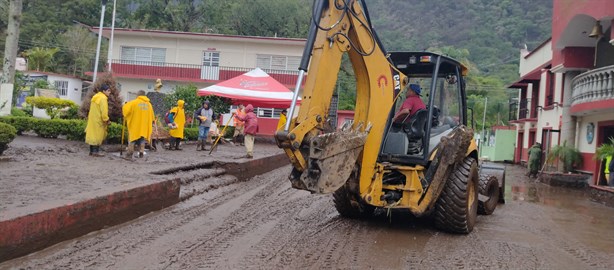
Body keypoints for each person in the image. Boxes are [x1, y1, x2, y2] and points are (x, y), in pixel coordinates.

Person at [122, 90, 155, 160]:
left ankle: (129, 155)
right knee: (142, 139)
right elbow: (152, 116)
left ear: (138, 95)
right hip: (144, 126)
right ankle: (141, 152)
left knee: (132, 139)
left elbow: (125, 110)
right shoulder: (149, 104)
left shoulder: (133, 103)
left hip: (135, 125)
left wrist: (125, 105)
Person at [85, 84, 111, 157]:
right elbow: (104, 111)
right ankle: (95, 152)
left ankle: (91, 151)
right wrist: (107, 120)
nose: (110, 92)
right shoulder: (103, 98)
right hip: (99, 120)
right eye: (108, 91)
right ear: (103, 91)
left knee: (92, 135)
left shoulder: (95, 97)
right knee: (98, 136)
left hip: (92, 119)